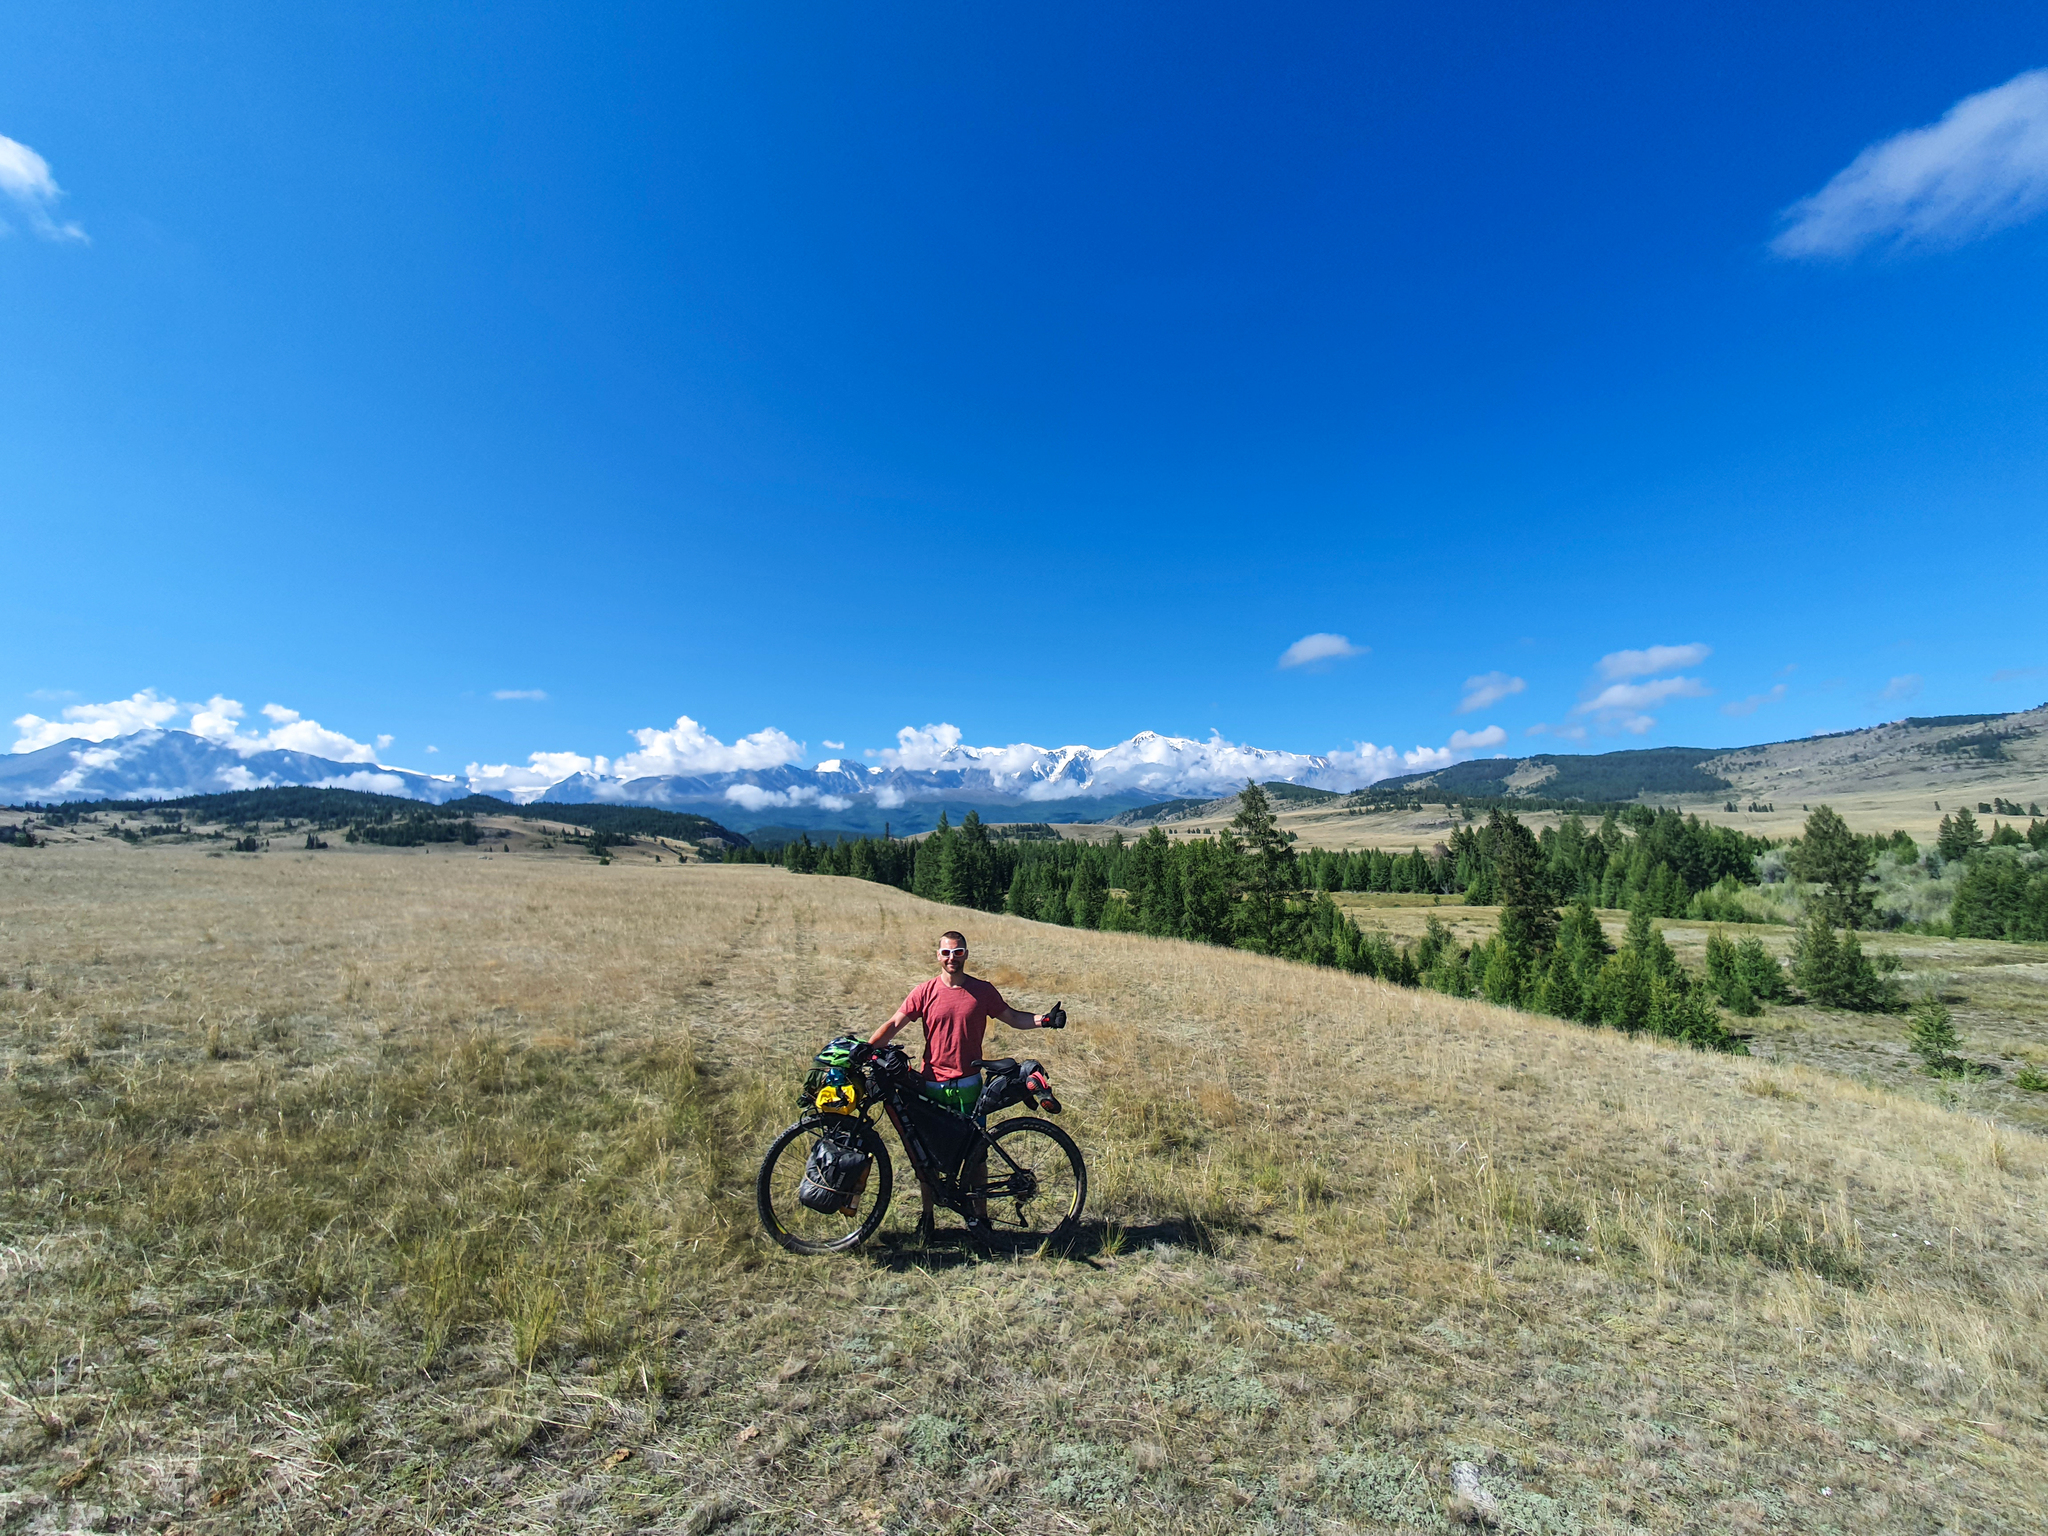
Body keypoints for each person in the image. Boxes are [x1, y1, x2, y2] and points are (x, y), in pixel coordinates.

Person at [869, 929, 1056, 1238]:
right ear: (938, 956)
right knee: (925, 1157)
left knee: (977, 1155)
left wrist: (1044, 1020)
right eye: (946, 953)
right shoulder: (925, 992)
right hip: (931, 1085)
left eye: (957, 952)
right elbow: (894, 1023)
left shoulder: (982, 991)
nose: (951, 958)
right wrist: (868, 1047)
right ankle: (927, 1218)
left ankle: (981, 1220)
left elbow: (1012, 1017)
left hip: (969, 1085)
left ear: (966, 954)